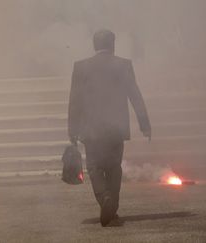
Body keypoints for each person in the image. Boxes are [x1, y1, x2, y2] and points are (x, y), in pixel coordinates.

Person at [68, 29, 151, 227]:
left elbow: (75, 101)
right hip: (115, 127)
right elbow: (135, 97)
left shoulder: (81, 67)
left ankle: (105, 199)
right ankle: (112, 209)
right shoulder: (123, 65)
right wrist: (144, 125)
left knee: (95, 168)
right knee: (114, 168)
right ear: (112, 44)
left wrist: (72, 130)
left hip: (91, 129)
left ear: (94, 45)